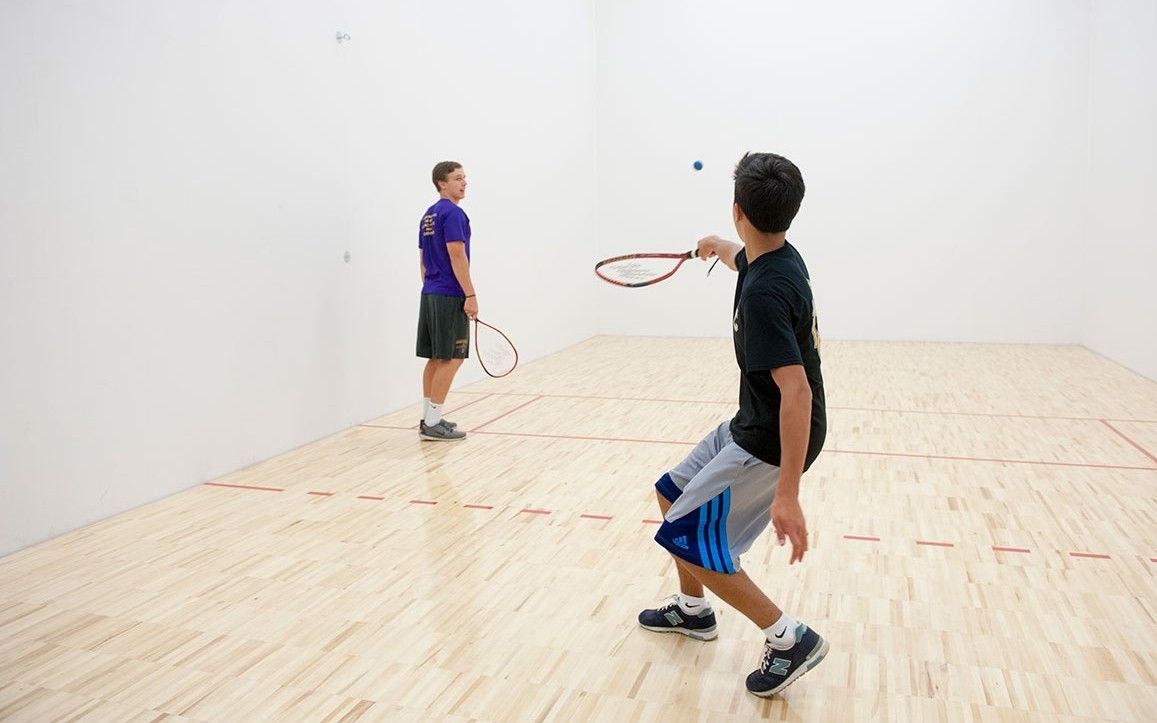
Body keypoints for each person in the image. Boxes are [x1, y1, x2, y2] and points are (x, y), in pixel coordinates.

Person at [636, 152, 828, 697]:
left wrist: (787, 492)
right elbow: (740, 256)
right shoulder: (777, 258)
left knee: (685, 541)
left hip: (773, 437)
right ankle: (694, 610)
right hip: (753, 420)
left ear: (738, 207)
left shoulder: (767, 292)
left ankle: (789, 639)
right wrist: (715, 245)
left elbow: (798, 393)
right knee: (670, 494)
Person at [416, 161, 477, 442]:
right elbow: (456, 255)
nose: (464, 183)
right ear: (442, 183)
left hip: (430, 292)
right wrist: (470, 295)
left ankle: (430, 418)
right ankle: (432, 423)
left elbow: (422, 260)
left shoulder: (428, 215)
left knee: (436, 357)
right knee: (452, 358)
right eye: (457, 178)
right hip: (449, 293)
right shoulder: (453, 213)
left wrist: (431, 287)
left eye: (464, 178)